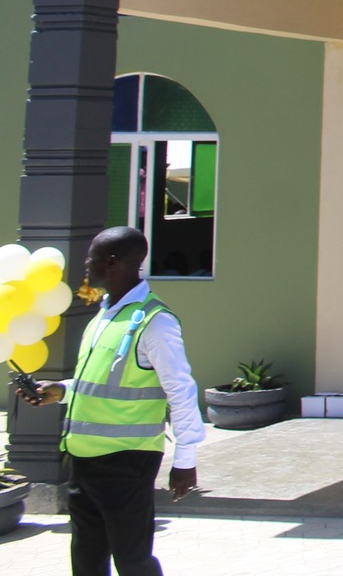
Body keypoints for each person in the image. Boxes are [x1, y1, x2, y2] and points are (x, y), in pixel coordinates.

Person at [15, 226, 205, 576]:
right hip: (85, 458)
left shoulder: (154, 321)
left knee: (132, 559)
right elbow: (102, 380)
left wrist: (185, 458)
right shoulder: (105, 314)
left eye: (92, 257)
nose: (86, 264)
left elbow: (180, 389)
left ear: (112, 262)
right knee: (87, 558)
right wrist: (63, 390)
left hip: (126, 460)